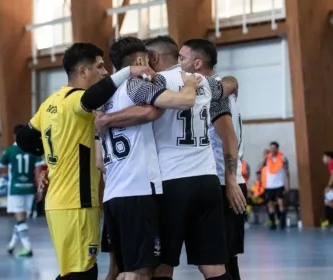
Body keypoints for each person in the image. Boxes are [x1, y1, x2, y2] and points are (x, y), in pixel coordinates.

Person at [96, 36, 242, 280]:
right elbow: (227, 84)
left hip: (171, 182)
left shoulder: (153, 83)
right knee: (214, 267)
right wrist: (234, 83)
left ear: (151, 59)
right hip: (207, 181)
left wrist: (105, 120)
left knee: (163, 264)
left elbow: (144, 112)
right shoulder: (201, 82)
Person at [16, 42, 157, 280]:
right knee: (82, 273)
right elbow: (93, 96)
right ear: (82, 71)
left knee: (78, 270)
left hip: (58, 203)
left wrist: (52, 160)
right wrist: (128, 72)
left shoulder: (50, 102)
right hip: (76, 202)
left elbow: (23, 138)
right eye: (100, 67)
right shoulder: (76, 100)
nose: (104, 72)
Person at [100, 36, 201, 280]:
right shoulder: (137, 86)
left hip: (113, 192)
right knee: (142, 272)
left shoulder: (104, 97)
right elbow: (184, 101)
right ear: (139, 61)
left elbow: (98, 161)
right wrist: (189, 85)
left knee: (121, 270)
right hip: (136, 191)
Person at [175, 38, 246, 280]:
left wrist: (231, 179)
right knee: (223, 261)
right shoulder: (218, 87)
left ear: (197, 63)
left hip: (224, 183)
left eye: (182, 58)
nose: (178, 63)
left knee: (219, 262)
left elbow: (228, 138)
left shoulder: (212, 93)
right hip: (224, 181)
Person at [0, 124, 45, 257]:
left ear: (14, 136)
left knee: (20, 220)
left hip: (16, 189)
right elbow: (39, 171)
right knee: (21, 219)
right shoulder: (33, 150)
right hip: (29, 188)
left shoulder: (10, 150)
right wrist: (40, 189)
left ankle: (27, 248)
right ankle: (12, 244)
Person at [263, 141, 290, 230]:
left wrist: (287, 184)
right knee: (270, 204)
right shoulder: (267, 158)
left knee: (280, 203)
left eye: (274, 148)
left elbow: (287, 172)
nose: (272, 150)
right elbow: (260, 169)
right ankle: (273, 223)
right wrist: (264, 158)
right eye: (271, 148)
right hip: (269, 185)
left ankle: (282, 222)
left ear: (277, 149)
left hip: (279, 184)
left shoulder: (283, 158)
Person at [321, 151, 333, 227]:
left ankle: (329, 220)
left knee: (328, 201)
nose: (323, 159)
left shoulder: (331, 163)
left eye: (324, 157)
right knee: (328, 201)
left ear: (329, 158)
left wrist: (329, 186)